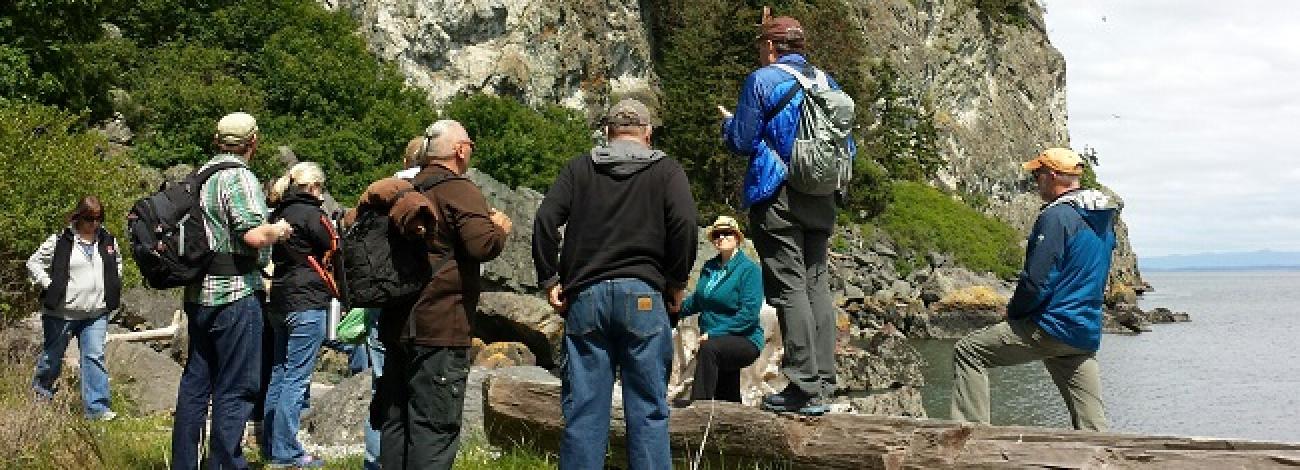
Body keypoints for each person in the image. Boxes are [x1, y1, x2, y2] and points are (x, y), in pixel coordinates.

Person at [533, 98, 698, 470]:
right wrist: (676, 280)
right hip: (643, 296)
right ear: (648, 132)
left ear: (607, 132)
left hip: (587, 296)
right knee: (649, 409)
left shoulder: (579, 169)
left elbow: (545, 218)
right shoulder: (667, 171)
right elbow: (686, 224)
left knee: (584, 411)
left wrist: (549, 277)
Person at [719, 13, 852, 415]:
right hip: (822, 196)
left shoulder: (762, 81)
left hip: (777, 194)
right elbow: (848, 143)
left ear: (772, 47)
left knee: (789, 287)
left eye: (761, 45)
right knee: (817, 285)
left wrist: (727, 126)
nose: (760, 51)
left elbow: (742, 141)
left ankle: (803, 386)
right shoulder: (827, 82)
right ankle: (824, 383)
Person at [950, 148, 1119, 432]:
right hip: (1084, 332)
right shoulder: (1103, 221)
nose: (1035, 181)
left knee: (968, 351)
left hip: (1051, 326)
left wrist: (1014, 314)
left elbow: (1037, 281)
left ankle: (971, 439)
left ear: (1052, 176)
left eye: (1037, 175)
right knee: (1093, 428)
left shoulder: (1057, 217)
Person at [376, 120, 512, 469]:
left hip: (397, 324)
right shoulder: (459, 190)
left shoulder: (404, 189)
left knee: (396, 424)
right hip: (441, 326)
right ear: (459, 150)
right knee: (434, 429)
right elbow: (481, 245)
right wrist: (499, 229)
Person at [171, 112, 295, 470]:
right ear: (252, 142)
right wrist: (280, 229)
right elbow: (253, 235)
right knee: (236, 386)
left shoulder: (200, 175)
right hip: (235, 294)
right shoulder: (238, 177)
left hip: (199, 295)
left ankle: (185, 462)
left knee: (196, 382)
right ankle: (225, 464)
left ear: (217, 140)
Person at [263, 162, 336, 468]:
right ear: (315, 187)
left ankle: (271, 445)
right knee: (297, 379)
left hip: (279, 298)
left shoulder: (277, 213)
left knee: (278, 374)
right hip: (307, 301)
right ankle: (287, 453)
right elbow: (333, 245)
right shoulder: (314, 215)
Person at [27, 196, 123, 421]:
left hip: (96, 312)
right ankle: (41, 398)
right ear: (79, 216)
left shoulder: (107, 240)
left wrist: (115, 281)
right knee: (52, 357)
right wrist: (49, 284)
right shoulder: (60, 240)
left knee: (94, 357)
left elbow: (117, 262)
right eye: (90, 218)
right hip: (61, 312)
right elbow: (33, 263)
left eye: (99, 218)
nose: (94, 223)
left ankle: (97, 410)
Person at [361, 135, 425, 470]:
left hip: (383, 298)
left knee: (383, 385)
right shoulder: (434, 189)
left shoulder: (383, 189)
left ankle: (376, 460)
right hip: (425, 303)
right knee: (424, 389)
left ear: (404, 160)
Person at [679, 216, 764, 405]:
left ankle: (698, 409)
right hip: (716, 339)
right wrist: (672, 312)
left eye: (727, 233)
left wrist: (713, 333)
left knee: (709, 350)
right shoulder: (710, 267)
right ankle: (735, 427)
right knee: (727, 397)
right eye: (717, 234)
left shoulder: (750, 270)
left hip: (744, 338)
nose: (722, 237)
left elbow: (749, 315)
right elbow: (698, 300)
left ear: (737, 238)